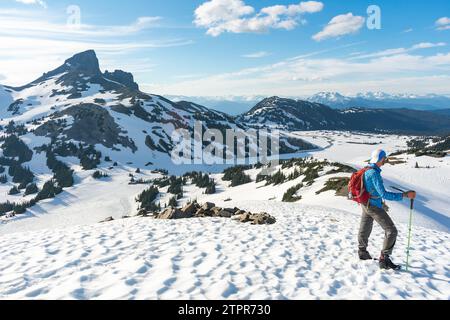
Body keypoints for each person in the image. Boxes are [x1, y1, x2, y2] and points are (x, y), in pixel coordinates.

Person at [358, 149, 416, 270]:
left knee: (365, 226)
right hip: (373, 205)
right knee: (392, 230)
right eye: (384, 158)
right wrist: (404, 195)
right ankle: (384, 259)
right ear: (380, 159)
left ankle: (362, 251)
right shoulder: (374, 173)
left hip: (365, 203)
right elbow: (384, 194)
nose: (385, 160)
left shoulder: (366, 169)